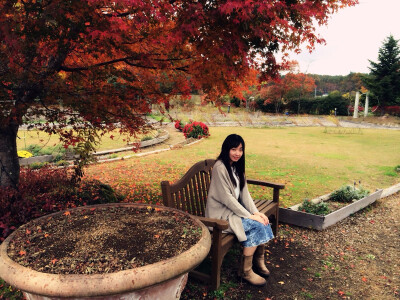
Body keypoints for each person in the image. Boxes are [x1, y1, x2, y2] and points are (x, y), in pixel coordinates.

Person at [205, 134, 274, 286]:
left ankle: (258, 261)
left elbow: (245, 194)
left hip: (233, 212)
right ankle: (245, 271)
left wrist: (256, 213)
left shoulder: (236, 167)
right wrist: (249, 216)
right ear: (226, 149)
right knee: (256, 226)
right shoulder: (220, 167)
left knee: (263, 221)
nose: (237, 153)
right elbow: (227, 199)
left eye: (240, 149)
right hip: (220, 216)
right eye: (233, 149)